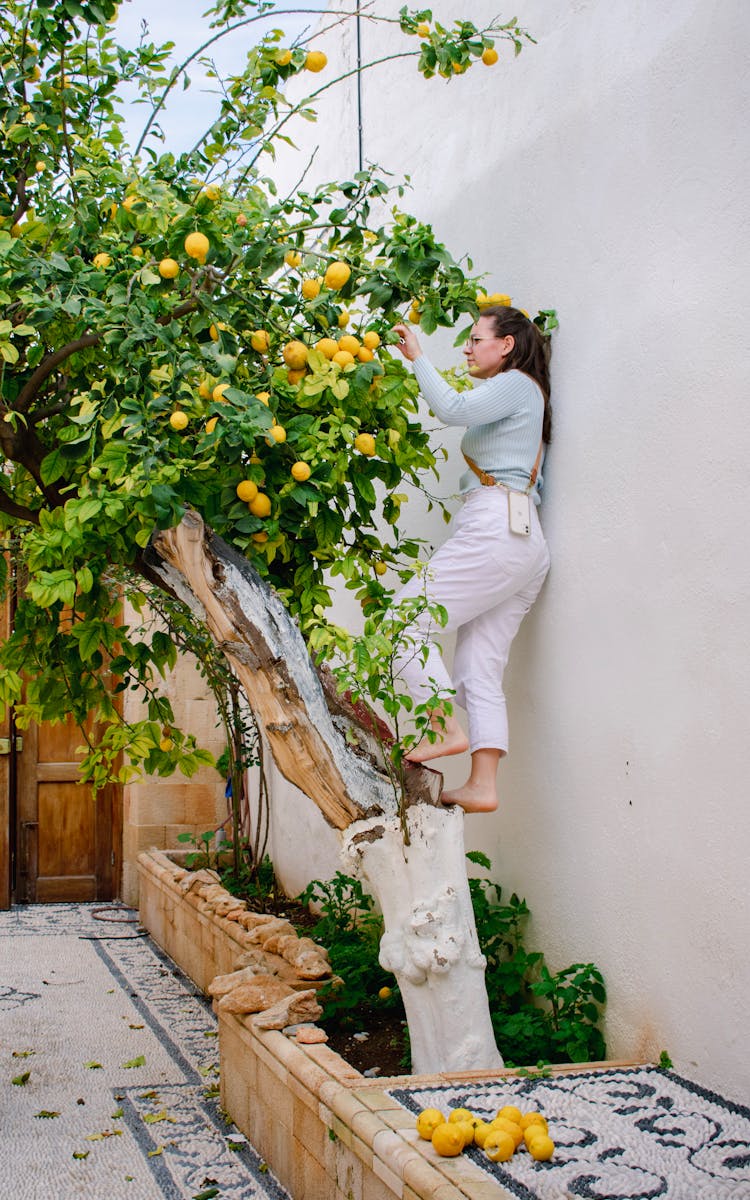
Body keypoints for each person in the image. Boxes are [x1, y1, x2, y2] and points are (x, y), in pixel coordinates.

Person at [391, 305, 552, 813]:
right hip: (522, 538)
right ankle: (483, 785)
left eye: (476, 338)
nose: (467, 347)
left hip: (496, 529)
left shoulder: (517, 383)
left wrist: (417, 356)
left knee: (402, 622)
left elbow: (453, 408)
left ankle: (441, 727)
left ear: (506, 345)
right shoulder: (528, 397)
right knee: (479, 666)